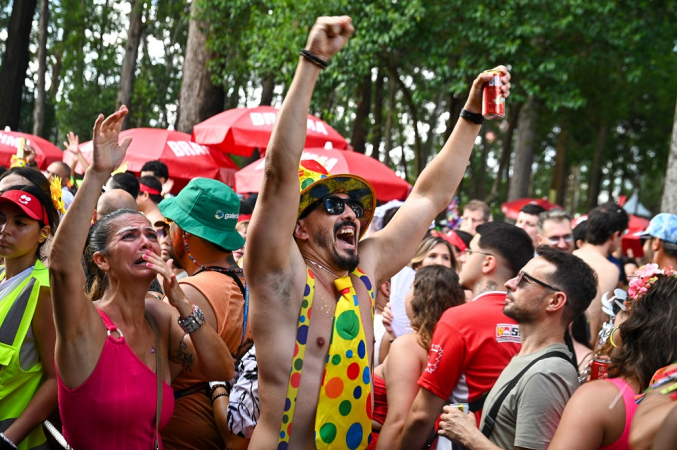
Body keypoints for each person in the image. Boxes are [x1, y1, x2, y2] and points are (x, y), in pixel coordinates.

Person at [245, 15, 511, 450]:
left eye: (355, 206)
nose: (350, 213)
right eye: (333, 205)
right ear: (299, 225)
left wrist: (471, 116)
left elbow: (429, 197)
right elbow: (278, 174)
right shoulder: (280, 273)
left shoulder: (363, 273)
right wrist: (311, 62)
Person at [49, 106, 234, 449]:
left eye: (151, 234)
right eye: (129, 236)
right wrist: (96, 172)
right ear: (101, 261)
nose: (146, 241)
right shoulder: (86, 322)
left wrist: (179, 300)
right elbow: (60, 267)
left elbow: (221, 369)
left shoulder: (159, 317)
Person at [438, 246, 598, 450]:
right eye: (517, 276)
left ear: (555, 301)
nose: (509, 283)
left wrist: (470, 436)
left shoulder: (546, 373)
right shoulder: (531, 357)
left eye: (524, 280)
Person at [399, 222, 533, 450]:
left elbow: (422, 414)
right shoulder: (535, 319)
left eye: (469, 252)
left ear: (488, 262)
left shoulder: (459, 319)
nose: (461, 259)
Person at [159, 178, 252, 450]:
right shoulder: (251, 285)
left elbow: (159, 378)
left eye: (172, 224)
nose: (169, 232)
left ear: (186, 233)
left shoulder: (187, 292)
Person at [549, 266, 677, 450]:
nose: (615, 317)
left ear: (634, 324)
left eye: (623, 310)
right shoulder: (669, 396)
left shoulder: (597, 399)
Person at [374, 266, 465, 449]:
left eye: (410, 288)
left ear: (419, 297)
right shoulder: (444, 347)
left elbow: (399, 421)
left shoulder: (408, 346)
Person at [0, 185, 59, 450]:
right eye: (1, 219)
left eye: (20, 223)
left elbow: (55, 380)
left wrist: (9, 438)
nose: (5, 230)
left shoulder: (44, 291)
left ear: (43, 234)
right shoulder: (2, 276)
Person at [574, 202, 628, 347]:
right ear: (615, 235)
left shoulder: (571, 256)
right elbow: (595, 315)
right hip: (584, 346)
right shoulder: (610, 269)